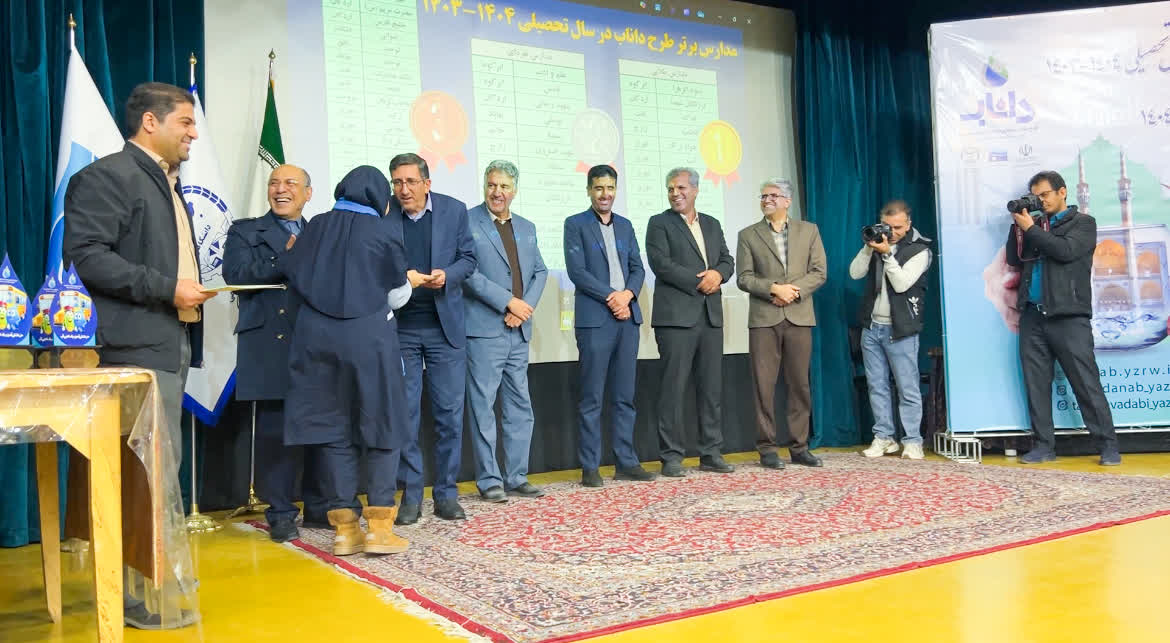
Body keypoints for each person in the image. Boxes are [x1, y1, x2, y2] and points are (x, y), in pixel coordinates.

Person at [63, 81, 213, 629]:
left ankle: (154, 583)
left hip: (168, 341)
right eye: (185, 122)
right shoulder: (109, 176)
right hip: (132, 349)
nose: (193, 133)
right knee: (137, 474)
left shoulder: (164, 182)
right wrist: (166, 288)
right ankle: (132, 597)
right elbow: (87, 257)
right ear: (151, 122)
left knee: (159, 472)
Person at [280, 165, 412, 555]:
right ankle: (380, 529)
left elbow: (293, 277)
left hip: (315, 339)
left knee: (332, 429)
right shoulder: (383, 232)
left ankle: (345, 529)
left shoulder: (314, 227)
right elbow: (396, 294)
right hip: (369, 339)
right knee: (383, 424)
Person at [223, 164, 327, 541]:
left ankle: (318, 506)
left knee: (319, 427)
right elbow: (236, 275)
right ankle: (280, 512)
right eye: (274, 183)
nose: (280, 189)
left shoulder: (320, 232)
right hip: (269, 339)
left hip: (315, 342)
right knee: (275, 431)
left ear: (308, 193)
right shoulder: (245, 230)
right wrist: (286, 256)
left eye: (290, 183)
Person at [385, 153, 477, 524]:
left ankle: (446, 494)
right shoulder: (385, 214)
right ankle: (411, 496)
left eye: (410, 182)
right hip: (401, 329)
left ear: (427, 183)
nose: (403, 189)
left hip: (444, 328)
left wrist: (447, 275)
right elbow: (373, 264)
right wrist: (401, 277)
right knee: (405, 417)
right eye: (397, 182)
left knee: (449, 416)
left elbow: (469, 259)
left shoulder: (454, 211)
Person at [1005, 170, 1120, 465]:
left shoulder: (1083, 223)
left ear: (1062, 192)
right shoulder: (1034, 226)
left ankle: (1108, 446)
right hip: (1033, 316)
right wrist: (1018, 227)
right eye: (1036, 196)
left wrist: (1031, 229)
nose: (1040, 201)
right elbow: (1014, 258)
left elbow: (1065, 251)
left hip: (1069, 316)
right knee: (1036, 385)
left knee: (1086, 382)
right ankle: (1043, 446)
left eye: (1044, 195)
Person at [564, 165, 656, 486]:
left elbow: (637, 268)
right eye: (599, 188)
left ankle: (625, 461)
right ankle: (590, 466)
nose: (605, 194)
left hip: (627, 319)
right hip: (595, 320)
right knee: (592, 397)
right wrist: (612, 297)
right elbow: (577, 271)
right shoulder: (575, 224)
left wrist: (627, 295)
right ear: (589, 190)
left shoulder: (626, 226)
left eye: (611, 188)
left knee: (624, 396)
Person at [463, 161, 548, 501]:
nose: (497, 192)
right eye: (491, 185)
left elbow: (540, 272)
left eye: (504, 186)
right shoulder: (467, 221)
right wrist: (508, 303)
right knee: (483, 407)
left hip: (519, 330)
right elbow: (468, 272)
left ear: (514, 190)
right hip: (484, 330)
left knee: (519, 406)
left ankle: (517, 476)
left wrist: (524, 308)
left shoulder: (527, 227)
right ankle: (489, 481)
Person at [644, 167, 735, 476]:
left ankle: (711, 452)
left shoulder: (712, 223)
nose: (675, 193)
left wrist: (718, 274)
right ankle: (671, 456)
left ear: (695, 190)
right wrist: (702, 281)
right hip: (675, 319)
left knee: (711, 389)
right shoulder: (659, 223)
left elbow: (727, 260)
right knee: (673, 390)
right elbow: (661, 264)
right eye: (670, 188)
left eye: (681, 187)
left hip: (710, 317)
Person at [735, 179, 826, 469]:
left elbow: (819, 272)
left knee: (800, 384)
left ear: (788, 201)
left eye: (773, 195)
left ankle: (800, 447)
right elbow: (744, 277)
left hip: (799, 315)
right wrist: (774, 289)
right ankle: (767, 449)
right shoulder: (748, 234)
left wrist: (792, 292)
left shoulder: (809, 231)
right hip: (764, 319)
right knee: (764, 386)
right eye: (763, 196)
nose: (767, 200)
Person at [850, 200, 933, 460]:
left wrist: (887, 255)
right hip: (872, 327)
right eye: (887, 226)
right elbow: (854, 273)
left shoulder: (919, 249)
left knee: (907, 387)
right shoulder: (876, 243)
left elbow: (901, 284)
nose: (892, 232)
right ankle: (884, 437)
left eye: (898, 227)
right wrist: (868, 247)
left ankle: (913, 440)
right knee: (876, 386)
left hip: (901, 329)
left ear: (908, 224)